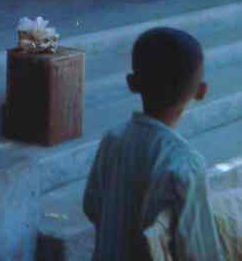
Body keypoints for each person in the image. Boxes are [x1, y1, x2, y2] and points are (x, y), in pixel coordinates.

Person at [83, 27, 222, 260]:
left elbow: (92, 206)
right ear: (201, 91)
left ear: (132, 83)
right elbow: (199, 250)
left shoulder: (113, 139)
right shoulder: (185, 164)